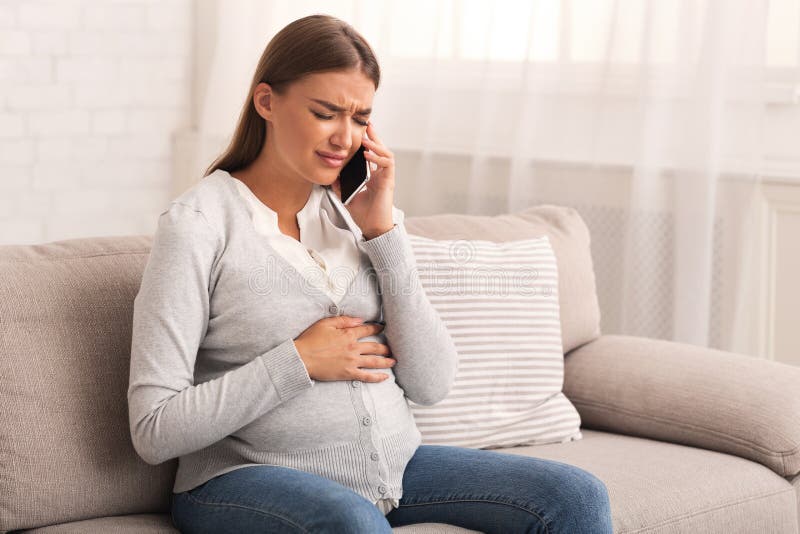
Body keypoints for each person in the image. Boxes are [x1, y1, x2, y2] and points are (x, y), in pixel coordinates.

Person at [127, 13, 615, 534]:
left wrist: (384, 234)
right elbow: (153, 428)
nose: (345, 137)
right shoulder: (198, 226)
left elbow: (432, 383)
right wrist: (298, 361)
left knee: (573, 496)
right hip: (241, 480)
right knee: (350, 522)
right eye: (325, 113)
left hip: (394, 469)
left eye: (360, 118)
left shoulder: (361, 218)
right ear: (267, 102)